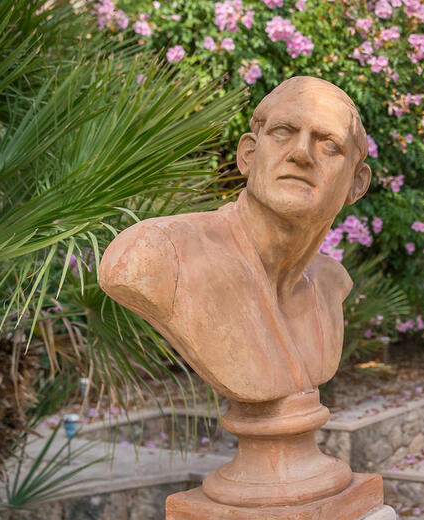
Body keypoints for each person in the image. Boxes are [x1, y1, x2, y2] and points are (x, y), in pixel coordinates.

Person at [100, 77, 372, 404]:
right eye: (283, 132)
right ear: (248, 155)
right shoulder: (157, 254)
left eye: (328, 144)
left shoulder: (331, 283)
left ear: (357, 185)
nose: (301, 153)